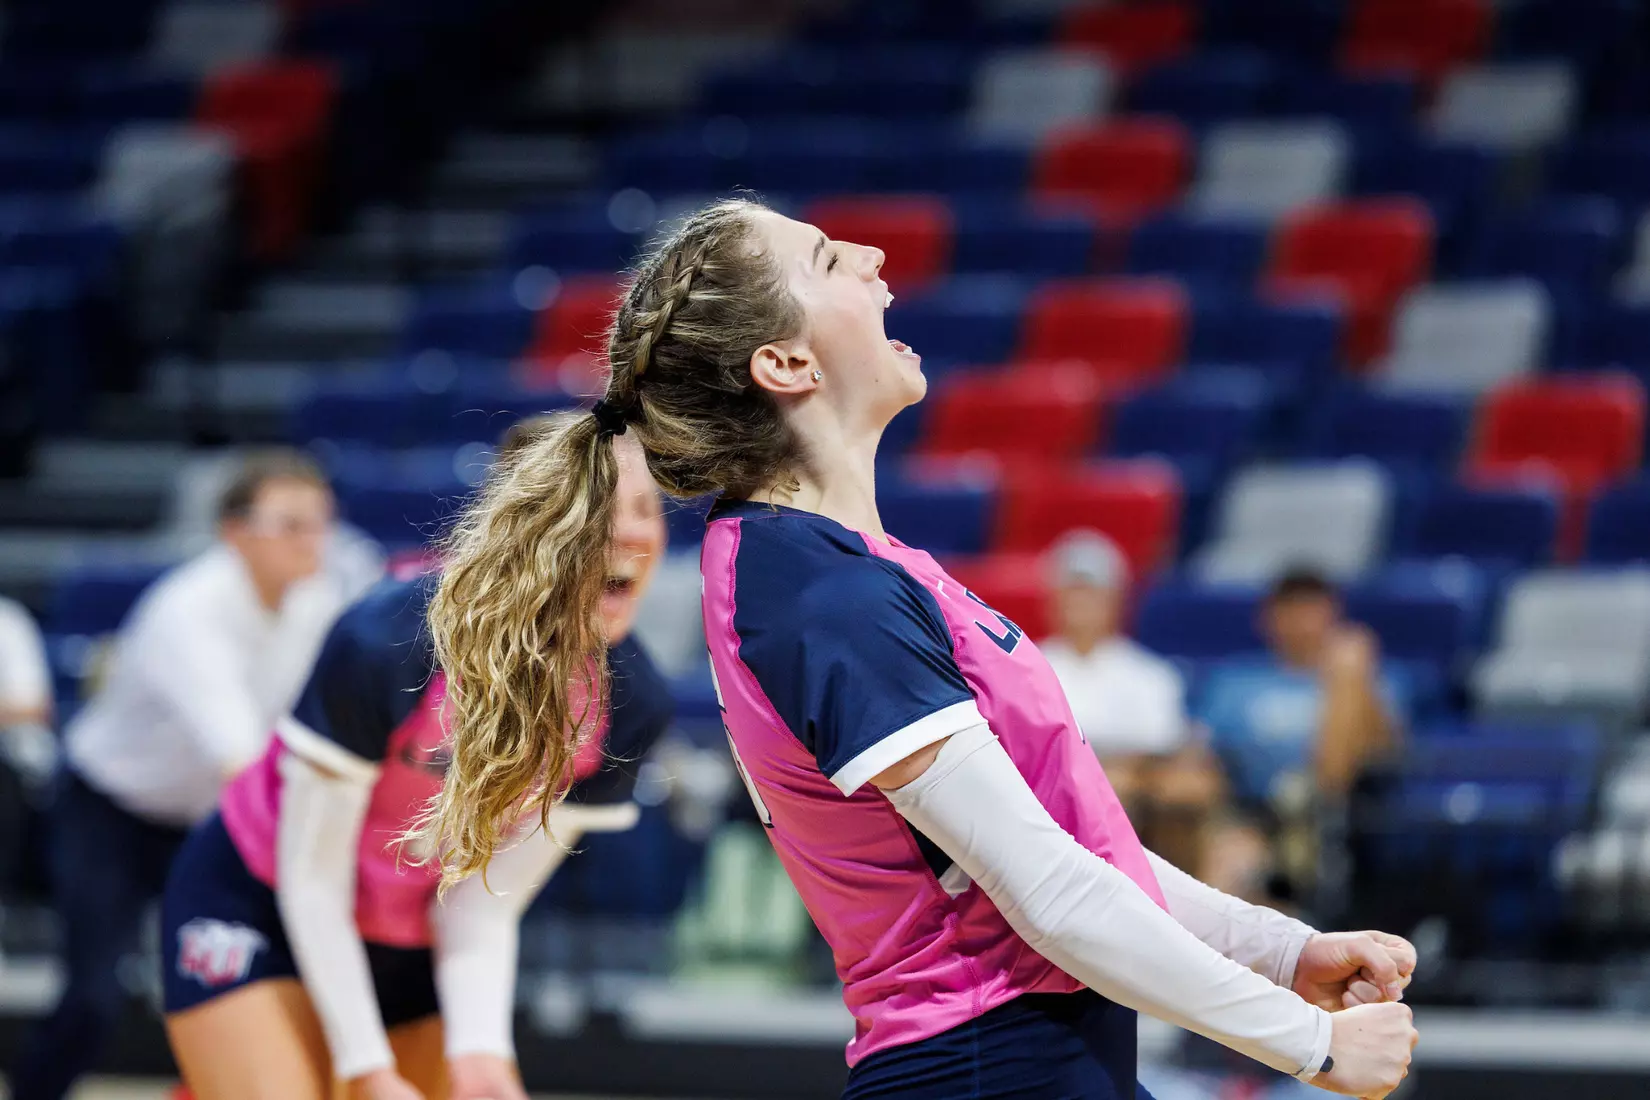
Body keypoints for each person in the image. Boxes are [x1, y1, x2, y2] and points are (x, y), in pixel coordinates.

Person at [416, 199, 1420, 1099]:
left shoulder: (835, 565)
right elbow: (1051, 893)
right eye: (824, 257)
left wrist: (1284, 949)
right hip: (990, 1065)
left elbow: (1080, 850)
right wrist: (1311, 1043)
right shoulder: (819, 594)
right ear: (787, 363)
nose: (871, 255)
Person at [158, 424, 672, 1100]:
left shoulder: (631, 702)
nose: (634, 533)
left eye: (647, 508)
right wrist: (366, 1067)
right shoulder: (389, 639)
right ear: (520, 521)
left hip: (416, 940)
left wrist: (482, 1052)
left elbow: (484, 907)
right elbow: (311, 882)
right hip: (262, 900)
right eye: (600, 507)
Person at [10, 450, 353, 1100]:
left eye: (321, 524)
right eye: (292, 525)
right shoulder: (187, 612)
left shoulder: (319, 602)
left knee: (242, 989)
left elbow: (316, 731)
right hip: (110, 811)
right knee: (94, 998)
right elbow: (241, 758)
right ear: (234, 532)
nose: (313, 543)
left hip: (209, 821)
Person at [1198, 567, 1405, 903]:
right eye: (1291, 609)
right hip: (1257, 813)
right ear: (1268, 618)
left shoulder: (1369, 682)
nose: (1302, 622)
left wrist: (1351, 677)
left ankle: (1311, 836)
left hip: (1344, 816)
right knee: (1230, 856)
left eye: (1312, 609)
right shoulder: (1235, 682)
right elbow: (1202, 754)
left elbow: (1384, 749)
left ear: (1332, 615)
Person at [1038, 530, 1224, 880]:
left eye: (1092, 592)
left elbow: (1163, 747)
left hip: (1138, 788)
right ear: (1053, 598)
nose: (1082, 603)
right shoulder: (1028, 666)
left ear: (1116, 600)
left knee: (1182, 792)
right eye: (1072, 591)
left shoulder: (1149, 674)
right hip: (1050, 789)